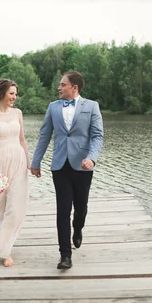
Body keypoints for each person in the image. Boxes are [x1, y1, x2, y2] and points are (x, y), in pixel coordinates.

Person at [30, 71, 104, 269]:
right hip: (60, 166)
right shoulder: (53, 107)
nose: (59, 88)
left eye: (63, 84)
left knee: (81, 208)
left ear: (74, 87)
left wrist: (92, 158)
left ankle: (77, 228)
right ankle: (65, 255)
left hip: (83, 166)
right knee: (63, 210)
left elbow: (97, 136)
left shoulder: (92, 106)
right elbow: (44, 135)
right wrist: (35, 162)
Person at [0, 79, 30, 267]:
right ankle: (4, 239)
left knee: (15, 207)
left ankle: (5, 250)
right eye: (11, 93)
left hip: (18, 161)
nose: (14, 97)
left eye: (16, 94)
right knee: (1, 205)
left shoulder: (18, 113)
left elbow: (22, 140)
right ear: (2, 93)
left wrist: (30, 162)